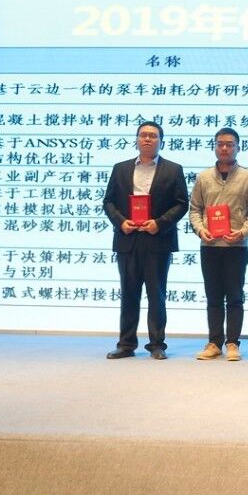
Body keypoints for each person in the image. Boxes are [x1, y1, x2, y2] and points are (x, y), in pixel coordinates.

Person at [102, 121, 188, 360]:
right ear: (137, 140)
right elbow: (108, 202)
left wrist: (159, 223)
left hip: (158, 240)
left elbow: (182, 204)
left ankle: (157, 344)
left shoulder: (173, 169)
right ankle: (126, 344)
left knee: (156, 294)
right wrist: (121, 222)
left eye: (153, 135)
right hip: (128, 239)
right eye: (143, 135)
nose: (147, 139)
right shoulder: (120, 168)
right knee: (129, 293)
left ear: (161, 141)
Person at [188, 127, 248, 362]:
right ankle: (214, 342)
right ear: (215, 147)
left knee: (235, 297)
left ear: (238, 147)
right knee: (213, 297)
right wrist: (201, 230)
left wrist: (243, 233)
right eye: (220, 144)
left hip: (236, 248)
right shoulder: (203, 177)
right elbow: (195, 209)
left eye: (230, 144)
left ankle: (233, 343)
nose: (225, 148)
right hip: (209, 246)